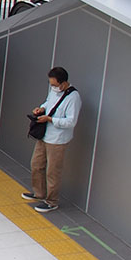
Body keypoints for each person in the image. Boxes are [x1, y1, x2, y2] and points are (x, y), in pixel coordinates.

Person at [21, 67, 81, 213]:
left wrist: (50, 119)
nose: (53, 87)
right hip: (45, 135)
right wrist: (41, 109)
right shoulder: (54, 91)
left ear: (64, 83)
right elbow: (48, 103)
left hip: (58, 140)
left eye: (55, 85)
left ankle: (52, 201)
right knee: (36, 164)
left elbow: (71, 121)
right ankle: (39, 192)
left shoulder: (74, 98)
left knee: (52, 171)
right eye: (51, 84)